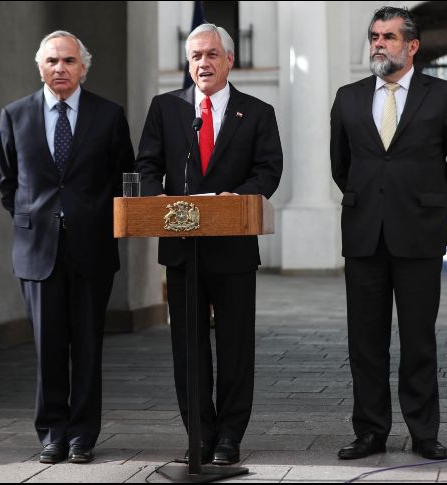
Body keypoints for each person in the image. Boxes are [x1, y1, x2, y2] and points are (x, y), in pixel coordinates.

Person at [330, 7, 447, 461]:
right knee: (365, 342)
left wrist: (429, 204)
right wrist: (373, 202)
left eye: (389, 37)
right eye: (374, 36)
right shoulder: (348, 98)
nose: (379, 43)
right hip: (364, 236)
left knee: (418, 340)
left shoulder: (442, 96)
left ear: (412, 46)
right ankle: (370, 431)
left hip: (420, 234)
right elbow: (341, 167)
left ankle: (423, 432)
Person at [135, 23, 282, 466]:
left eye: (212, 54)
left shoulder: (256, 112)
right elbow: (146, 166)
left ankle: (229, 436)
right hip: (182, 247)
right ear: (188, 62)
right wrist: (157, 200)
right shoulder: (166, 108)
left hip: (233, 246)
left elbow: (268, 170)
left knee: (235, 346)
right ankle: (198, 434)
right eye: (196, 55)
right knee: (188, 346)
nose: (203, 63)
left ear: (229, 60)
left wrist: (236, 198)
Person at [0, 30, 134, 464]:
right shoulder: (15, 115)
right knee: (48, 347)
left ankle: (82, 436)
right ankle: (52, 433)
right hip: (37, 249)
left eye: (69, 61)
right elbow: (6, 181)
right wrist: (35, 218)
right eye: (52, 61)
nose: (60, 68)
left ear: (83, 68)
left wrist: (96, 220)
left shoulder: (108, 116)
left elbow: (124, 177)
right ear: (39, 66)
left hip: (92, 249)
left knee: (88, 347)